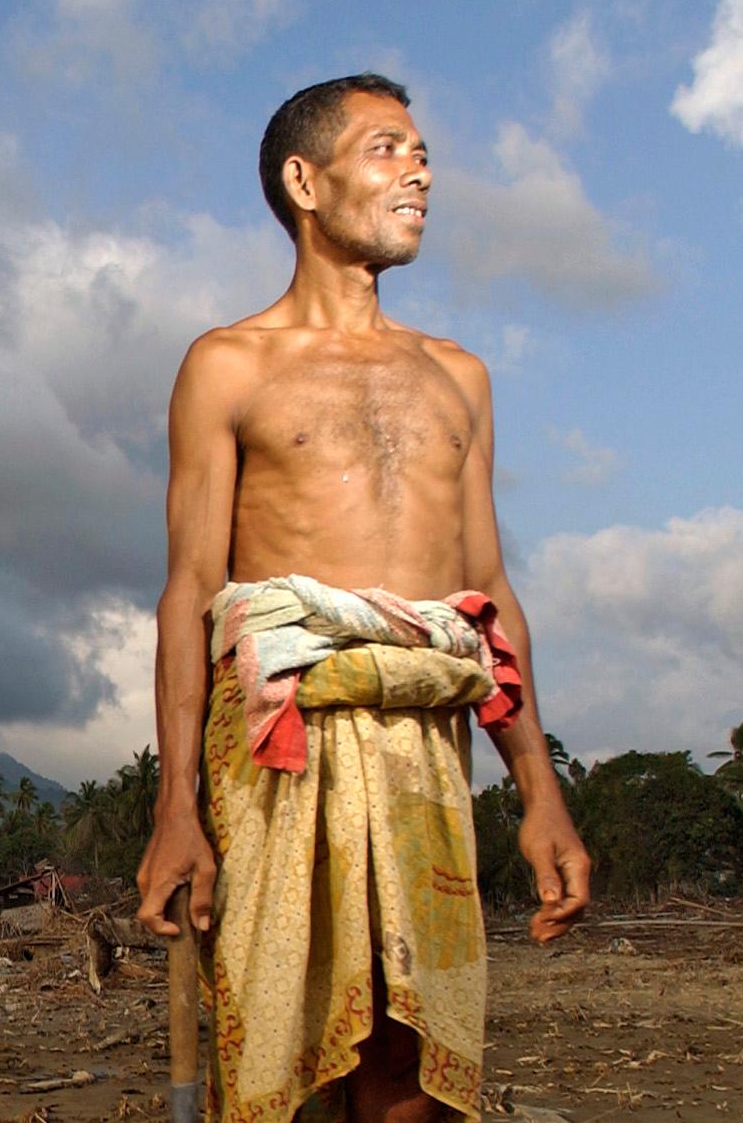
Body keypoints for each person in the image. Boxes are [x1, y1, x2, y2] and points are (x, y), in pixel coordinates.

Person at [133, 73, 591, 1122]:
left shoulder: (457, 376)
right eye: (385, 148)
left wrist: (540, 790)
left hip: (423, 748)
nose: (419, 169)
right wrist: (174, 809)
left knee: (408, 1065)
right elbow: (190, 592)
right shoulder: (226, 364)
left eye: (421, 150)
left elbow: (487, 600)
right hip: (278, 746)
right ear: (304, 180)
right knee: (293, 1058)